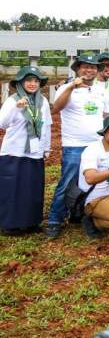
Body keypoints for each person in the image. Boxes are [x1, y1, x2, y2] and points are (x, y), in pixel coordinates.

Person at [47, 55, 109, 237]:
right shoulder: (67, 88)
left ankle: (81, 214)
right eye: (85, 67)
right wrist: (72, 86)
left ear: (97, 71)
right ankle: (54, 219)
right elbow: (57, 107)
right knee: (67, 182)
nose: (89, 70)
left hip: (96, 145)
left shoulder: (100, 90)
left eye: (93, 67)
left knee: (93, 183)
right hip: (74, 145)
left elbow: (104, 114)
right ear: (77, 69)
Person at [0, 66, 51, 235]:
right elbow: (2, 124)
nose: (32, 84)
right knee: (12, 189)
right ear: (21, 82)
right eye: (29, 80)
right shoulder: (12, 100)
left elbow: (46, 126)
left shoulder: (42, 102)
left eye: (36, 81)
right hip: (14, 152)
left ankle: (31, 223)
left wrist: (46, 148)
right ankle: (10, 225)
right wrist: (16, 107)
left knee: (33, 189)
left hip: (34, 152)